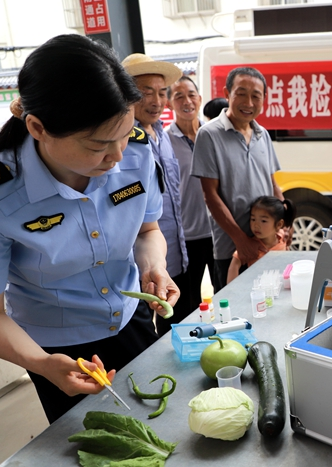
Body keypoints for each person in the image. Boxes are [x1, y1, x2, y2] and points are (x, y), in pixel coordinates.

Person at [0, 35, 179, 424]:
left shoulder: (135, 150)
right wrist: (42, 363)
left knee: (160, 424)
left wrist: (154, 266)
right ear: (37, 127)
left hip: (131, 319)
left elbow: (148, 231)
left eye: (123, 136)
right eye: (99, 146)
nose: (117, 160)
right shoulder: (4, 190)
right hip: (55, 347)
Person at [192, 67, 284, 293]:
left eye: (256, 96)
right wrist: (241, 240)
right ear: (227, 93)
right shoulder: (209, 135)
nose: (249, 102)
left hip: (267, 246)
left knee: (270, 308)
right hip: (232, 250)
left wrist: (284, 222)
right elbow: (210, 195)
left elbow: (273, 185)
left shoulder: (262, 134)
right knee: (235, 313)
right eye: (241, 93)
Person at [121, 53, 192, 336]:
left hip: (175, 248)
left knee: (182, 320)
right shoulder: (123, 140)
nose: (157, 101)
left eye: (162, 93)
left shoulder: (163, 133)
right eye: (145, 93)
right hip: (142, 260)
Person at [166, 76, 214, 309]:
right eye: (179, 96)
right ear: (169, 104)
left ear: (200, 98)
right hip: (187, 237)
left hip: (219, 231)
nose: (187, 101)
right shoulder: (165, 140)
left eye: (191, 95)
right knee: (188, 303)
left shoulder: (213, 134)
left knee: (227, 292)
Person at [227, 196, 296, 283]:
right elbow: (235, 264)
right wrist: (231, 290)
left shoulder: (282, 237)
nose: (256, 225)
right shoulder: (251, 247)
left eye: (263, 221)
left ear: (279, 224)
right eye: (253, 219)